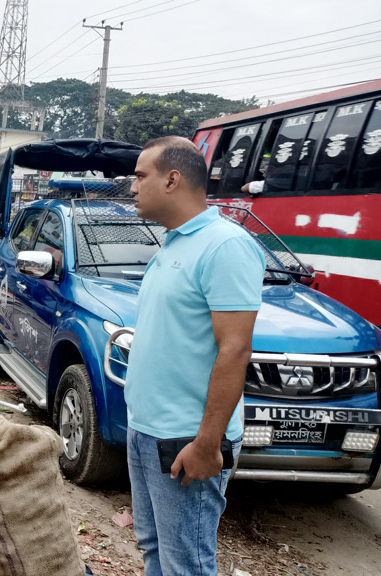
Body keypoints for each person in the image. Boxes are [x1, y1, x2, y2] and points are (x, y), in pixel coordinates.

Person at [126, 136, 265, 576]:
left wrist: (207, 443)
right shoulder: (173, 243)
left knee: (186, 564)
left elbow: (235, 348)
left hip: (185, 439)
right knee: (155, 550)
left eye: (140, 176)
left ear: (172, 179)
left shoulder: (225, 245)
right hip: (145, 430)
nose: (131, 187)